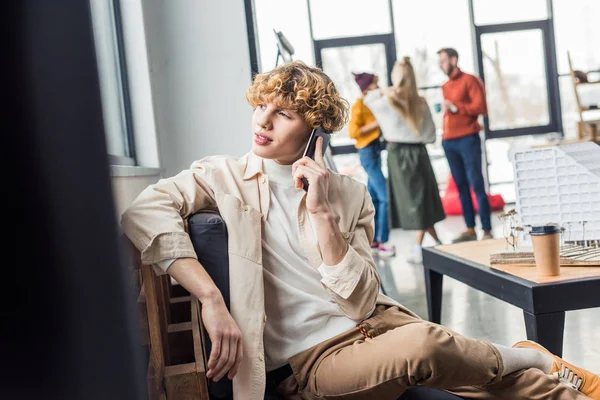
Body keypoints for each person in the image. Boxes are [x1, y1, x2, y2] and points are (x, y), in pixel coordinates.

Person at [122, 61, 599, 400]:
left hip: (374, 326)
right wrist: (210, 297)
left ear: (315, 131)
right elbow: (144, 211)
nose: (262, 121)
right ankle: (532, 357)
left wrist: (323, 212)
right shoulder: (223, 174)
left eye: (283, 113)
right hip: (312, 364)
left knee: (493, 382)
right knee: (428, 344)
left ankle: (566, 387)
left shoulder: (349, 194)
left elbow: (360, 301)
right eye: (261, 106)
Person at [363, 57, 445, 264]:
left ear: (395, 77)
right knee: (421, 200)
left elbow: (367, 98)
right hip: (419, 153)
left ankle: (421, 246)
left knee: (415, 203)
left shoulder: (386, 102)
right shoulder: (420, 103)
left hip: (398, 154)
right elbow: (430, 136)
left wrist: (386, 90)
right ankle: (439, 244)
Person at [438, 47, 493, 243]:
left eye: (443, 60)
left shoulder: (471, 80)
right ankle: (470, 229)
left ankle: (487, 230)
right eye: (440, 61)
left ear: (454, 59)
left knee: (476, 183)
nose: (441, 65)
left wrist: (456, 107)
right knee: (461, 186)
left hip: (468, 138)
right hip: (448, 141)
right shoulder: (445, 86)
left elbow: (481, 108)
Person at [348, 72, 395, 257]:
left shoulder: (374, 102)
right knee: (386, 198)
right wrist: (377, 123)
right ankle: (384, 242)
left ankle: (373, 240)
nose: (379, 86)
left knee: (374, 199)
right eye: (376, 84)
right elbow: (353, 132)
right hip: (367, 152)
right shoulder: (360, 104)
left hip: (375, 151)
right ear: (367, 88)